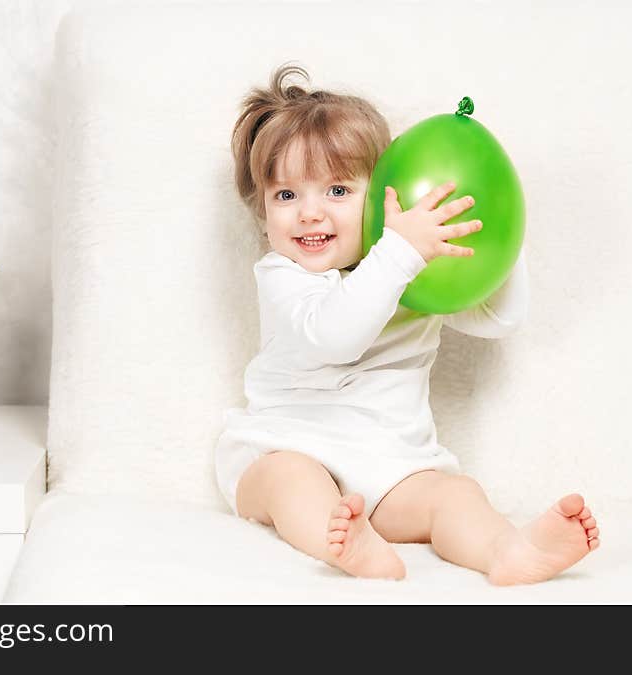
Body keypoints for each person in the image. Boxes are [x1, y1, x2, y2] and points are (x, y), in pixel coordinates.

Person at [215, 64, 600, 584]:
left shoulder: (411, 271)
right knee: (293, 484)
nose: (309, 213)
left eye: (336, 191)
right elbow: (337, 335)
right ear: (263, 213)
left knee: (454, 494)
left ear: (384, 193)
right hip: (284, 444)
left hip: (391, 467)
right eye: (286, 196)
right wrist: (398, 253)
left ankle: (507, 552)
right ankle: (346, 547)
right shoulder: (284, 277)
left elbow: (497, 316)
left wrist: (495, 228)